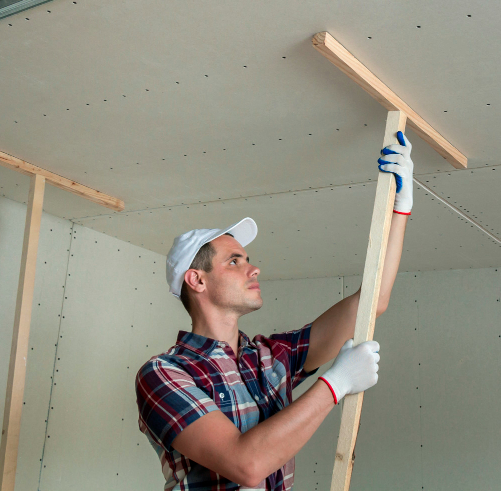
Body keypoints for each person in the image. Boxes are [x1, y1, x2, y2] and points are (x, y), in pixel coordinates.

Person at [135, 131, 415, 490]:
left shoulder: (270, 358)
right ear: (197, 280)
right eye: (234, 261)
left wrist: (401, 206)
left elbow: (371, 303)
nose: (254, 269)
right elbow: (246, 465)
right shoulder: (163, 374)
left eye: (248, 259)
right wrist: (336, 382)